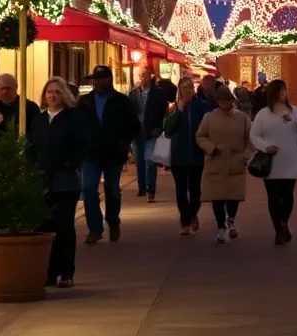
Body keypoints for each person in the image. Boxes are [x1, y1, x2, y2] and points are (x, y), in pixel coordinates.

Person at [32, 77, 88, 288]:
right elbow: (32, 145)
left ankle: (66, 272)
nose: (52, 95)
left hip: (66, 180)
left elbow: (83, 144)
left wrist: (71, 162)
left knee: (64, 226)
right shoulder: (39, 120)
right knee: (45, 226)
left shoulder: (73, 118)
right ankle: (49, 272)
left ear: (64, 95)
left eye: (56, 92)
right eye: (49, 92)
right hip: (42, 179)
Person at [77, 65, 139, 244]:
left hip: (113, 153)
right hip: (91, 154)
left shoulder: (121, 101)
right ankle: (95, 229)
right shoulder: (85, 101)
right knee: (89, 189)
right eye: (94, 79)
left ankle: (113, 221)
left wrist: (122, 142)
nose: (96, 82)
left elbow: (134, 126)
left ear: (108, 79)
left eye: (99, 79)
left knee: (112, 190)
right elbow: (78, 124)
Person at [250, 79, 297, 245]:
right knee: (273, 197)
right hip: (271, 161)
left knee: (288, 194)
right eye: (279, 91)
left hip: (290, 159)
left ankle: (284, 221)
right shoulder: (263, 114)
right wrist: (265, 146)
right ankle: (278, 229)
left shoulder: (294, 111)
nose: (282, 94)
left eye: (284, 91)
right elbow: (254, 135)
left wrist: (294, 142)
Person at [196, 85, 252, 243]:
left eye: (228, 101)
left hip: (235, 161)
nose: (225, 104)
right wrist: (211, 148)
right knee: (217, 197)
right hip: (216, 160)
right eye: (222, 101)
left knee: (234, 194)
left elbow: (251, 138)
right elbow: (200, 136)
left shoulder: (241, 118)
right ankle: (220, 226)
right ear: (217, 102)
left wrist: (245, 155)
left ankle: (231, 219)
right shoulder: (209, 117)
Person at [164, 78, 212, 235]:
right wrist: (179, 110)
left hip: (197, 155)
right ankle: (184, 221)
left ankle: (192, 213)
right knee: (181, 190)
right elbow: (168, 129)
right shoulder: (173, 108)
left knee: (195, 189)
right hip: (179, 155)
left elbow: (208, 128)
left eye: (190, 87)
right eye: (184, 88)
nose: (188, 90)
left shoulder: (202, 106)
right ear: (179, 90)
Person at [128, 68, 158, 200]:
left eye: (144, 75)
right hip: (137, 132)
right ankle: (142, 187)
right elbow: (129, 112)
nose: (142, 77)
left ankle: (150, 190)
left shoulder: (157, 93)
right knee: (140, 161)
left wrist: (159, 127)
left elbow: (162, 111)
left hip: (151, 132)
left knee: (150, 160)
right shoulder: (133, 93)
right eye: (140, 75)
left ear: (149, 76)